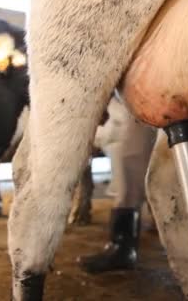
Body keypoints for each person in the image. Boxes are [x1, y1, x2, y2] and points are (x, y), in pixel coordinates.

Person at [78, 98, 157, 274]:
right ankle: (122, 247)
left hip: (136, 108)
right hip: (136, 109)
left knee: (130, 164)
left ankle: (123, 249)